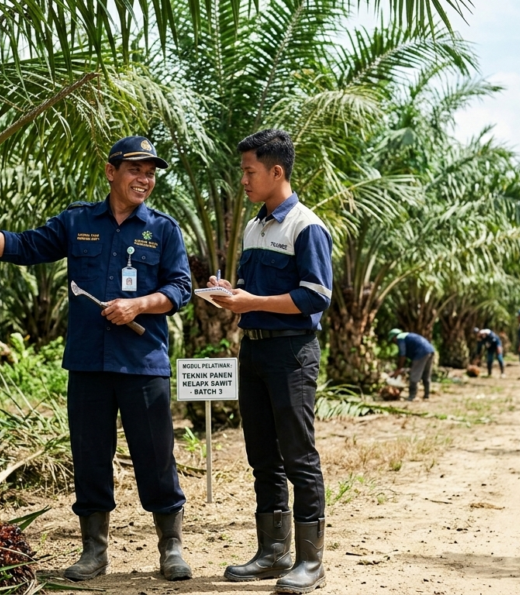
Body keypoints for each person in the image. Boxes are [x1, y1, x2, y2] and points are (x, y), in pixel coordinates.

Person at [0, 136, 193, 582]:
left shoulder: (163, 230)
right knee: (91, 456)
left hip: (142, 363)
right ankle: (94, 550)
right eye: (136, 169)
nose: (145, 179)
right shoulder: (77, 222)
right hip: (89, 363)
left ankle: (170, 547)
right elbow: (23, 247)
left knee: (156, 457)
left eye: (150, 172)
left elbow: (181, 288)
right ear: (111, 172)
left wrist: (139, 305)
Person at [207, 129, 332, 593]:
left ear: (276, 171)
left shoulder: (306, 226)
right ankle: (273, 553)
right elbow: (251, 295)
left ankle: (311, 561)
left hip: (291, 352)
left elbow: (315, 295)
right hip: (253, 349)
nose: (243, 179)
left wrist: (252, 299)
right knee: (262, 455)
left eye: (249, 171)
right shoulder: (255, 225)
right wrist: (231, 295)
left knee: (298, 455)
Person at [389, 329, 435, 401]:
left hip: (421, 353)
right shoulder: (408, 335)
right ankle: (427, 395)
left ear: (394, 337)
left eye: (393, 340)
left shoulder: (400, 338)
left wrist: (399, 369)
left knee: (414, 375)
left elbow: (402, 354)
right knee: (426, 375)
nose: (394, 342)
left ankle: (412, 396)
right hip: (430, 350)